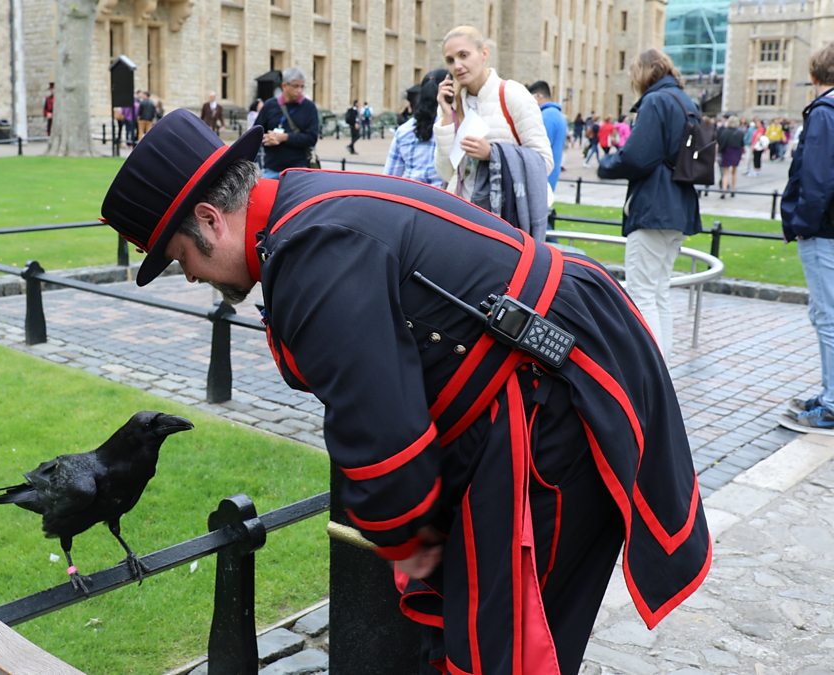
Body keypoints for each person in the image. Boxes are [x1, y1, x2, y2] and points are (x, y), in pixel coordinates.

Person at [100, 108, 710, 674]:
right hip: (528, 382)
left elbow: (382, 431)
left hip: (550, 398)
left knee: (506, 644)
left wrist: (408, 541)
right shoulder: (299, 211)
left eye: (181, 257)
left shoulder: (309, 249)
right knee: (482, 630)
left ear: (209, 219)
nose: (192, 277)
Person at [598, 49, 703, 361]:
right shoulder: (685, 100)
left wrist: (606, 164)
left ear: (645, 72)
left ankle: (652, 370)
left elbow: (637, 156)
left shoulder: (656, 101)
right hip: (679, 205)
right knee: (658, 292)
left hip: (655, 206)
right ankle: (662, 367)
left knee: (643, 292)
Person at [434, 26, 553, 238]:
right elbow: (445, 172)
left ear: (484, 53)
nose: (457, 66)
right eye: (450, 60)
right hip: (460, 216)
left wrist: (493, 153)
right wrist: (445, 115)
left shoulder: (513, 94)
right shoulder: (453, 102)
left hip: (505, 221)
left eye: (464, 55)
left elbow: (544, 162)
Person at [779, 41, 834, 434]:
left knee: (827, 316)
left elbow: (816, 177)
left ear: (815, 75)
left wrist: (801, 222)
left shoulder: (824, 112)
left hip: (823, 229)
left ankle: (832, 404)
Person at [253, 67, 320, 178]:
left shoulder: (309, 107)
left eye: (302, 86)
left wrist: (285, 137)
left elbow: (312, 138)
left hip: (299, 169)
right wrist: (268, 138)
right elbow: (255, 134)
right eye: (295, 86)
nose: (299, 90)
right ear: (284, 86)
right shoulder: (270, 105)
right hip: (271, 169)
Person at [384, 70, 446, 187]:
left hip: (411, 199)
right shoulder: (451, 129)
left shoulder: (404, 130)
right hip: (442, 202)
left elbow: (389, 179)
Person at [528, 80, 567, 189]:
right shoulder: (557, 115)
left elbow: (538, 148)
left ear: (539, 96)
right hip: (550, 178)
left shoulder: (547, 116)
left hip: (542, 179)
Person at [717, 116, 745, 198]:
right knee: (734, 172)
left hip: (727, 151)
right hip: (736, 151)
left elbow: (722, 143)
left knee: (726, 173)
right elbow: (742, 143)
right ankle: (733, 189)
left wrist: (720, 151)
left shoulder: (725, 132)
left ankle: (724, 190)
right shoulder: (740, 132)